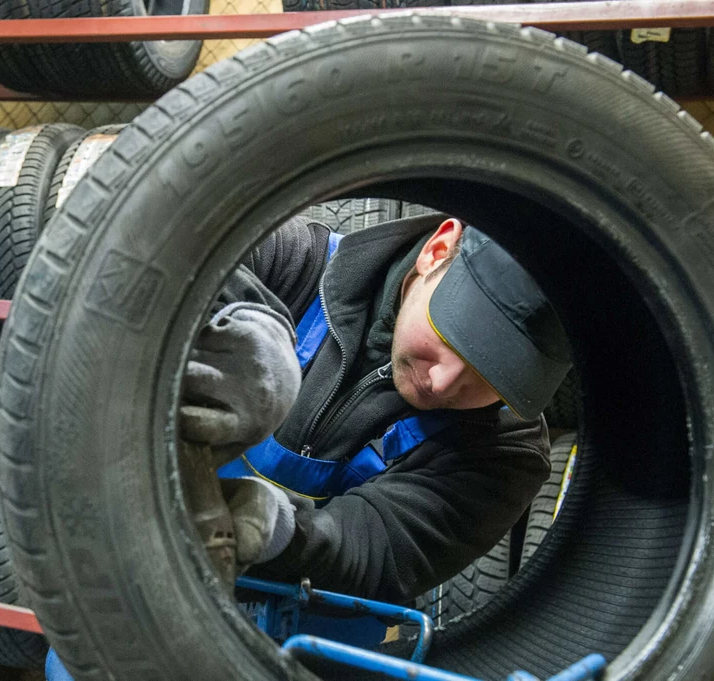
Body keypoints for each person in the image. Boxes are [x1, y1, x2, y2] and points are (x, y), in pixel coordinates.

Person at [180, 212, 572, 604]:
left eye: (492, 377)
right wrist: (232, 341)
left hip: (292, 640)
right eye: (453, 338)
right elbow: (172, 263)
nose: (443, 382)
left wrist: (272, 528)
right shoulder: (291, 259)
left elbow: (374, 554)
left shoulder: (506, 451)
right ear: (436, 252)